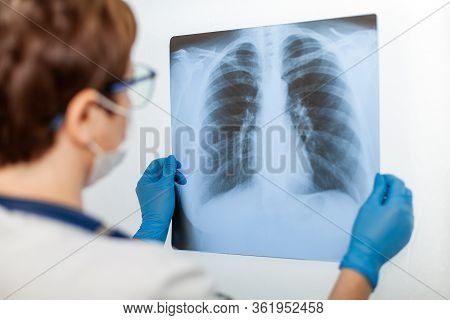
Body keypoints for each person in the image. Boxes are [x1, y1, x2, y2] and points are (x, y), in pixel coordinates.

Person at [0, 0, 413, 299]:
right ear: (87, 116)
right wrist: (362, 266)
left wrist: (146, 238)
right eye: (128, 87)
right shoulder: (161, 288)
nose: (129, 105)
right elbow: (117, 287)